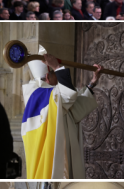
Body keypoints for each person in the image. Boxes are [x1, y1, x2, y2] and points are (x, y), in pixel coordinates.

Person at [21, 46, 102, 178]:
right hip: (54, 161)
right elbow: (68, 96)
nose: (58, 79)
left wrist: (93, 82)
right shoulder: (42, 96)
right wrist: (57, 66)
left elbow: (73, 109)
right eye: (55, 75)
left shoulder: (47, 97)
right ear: (48, 77)